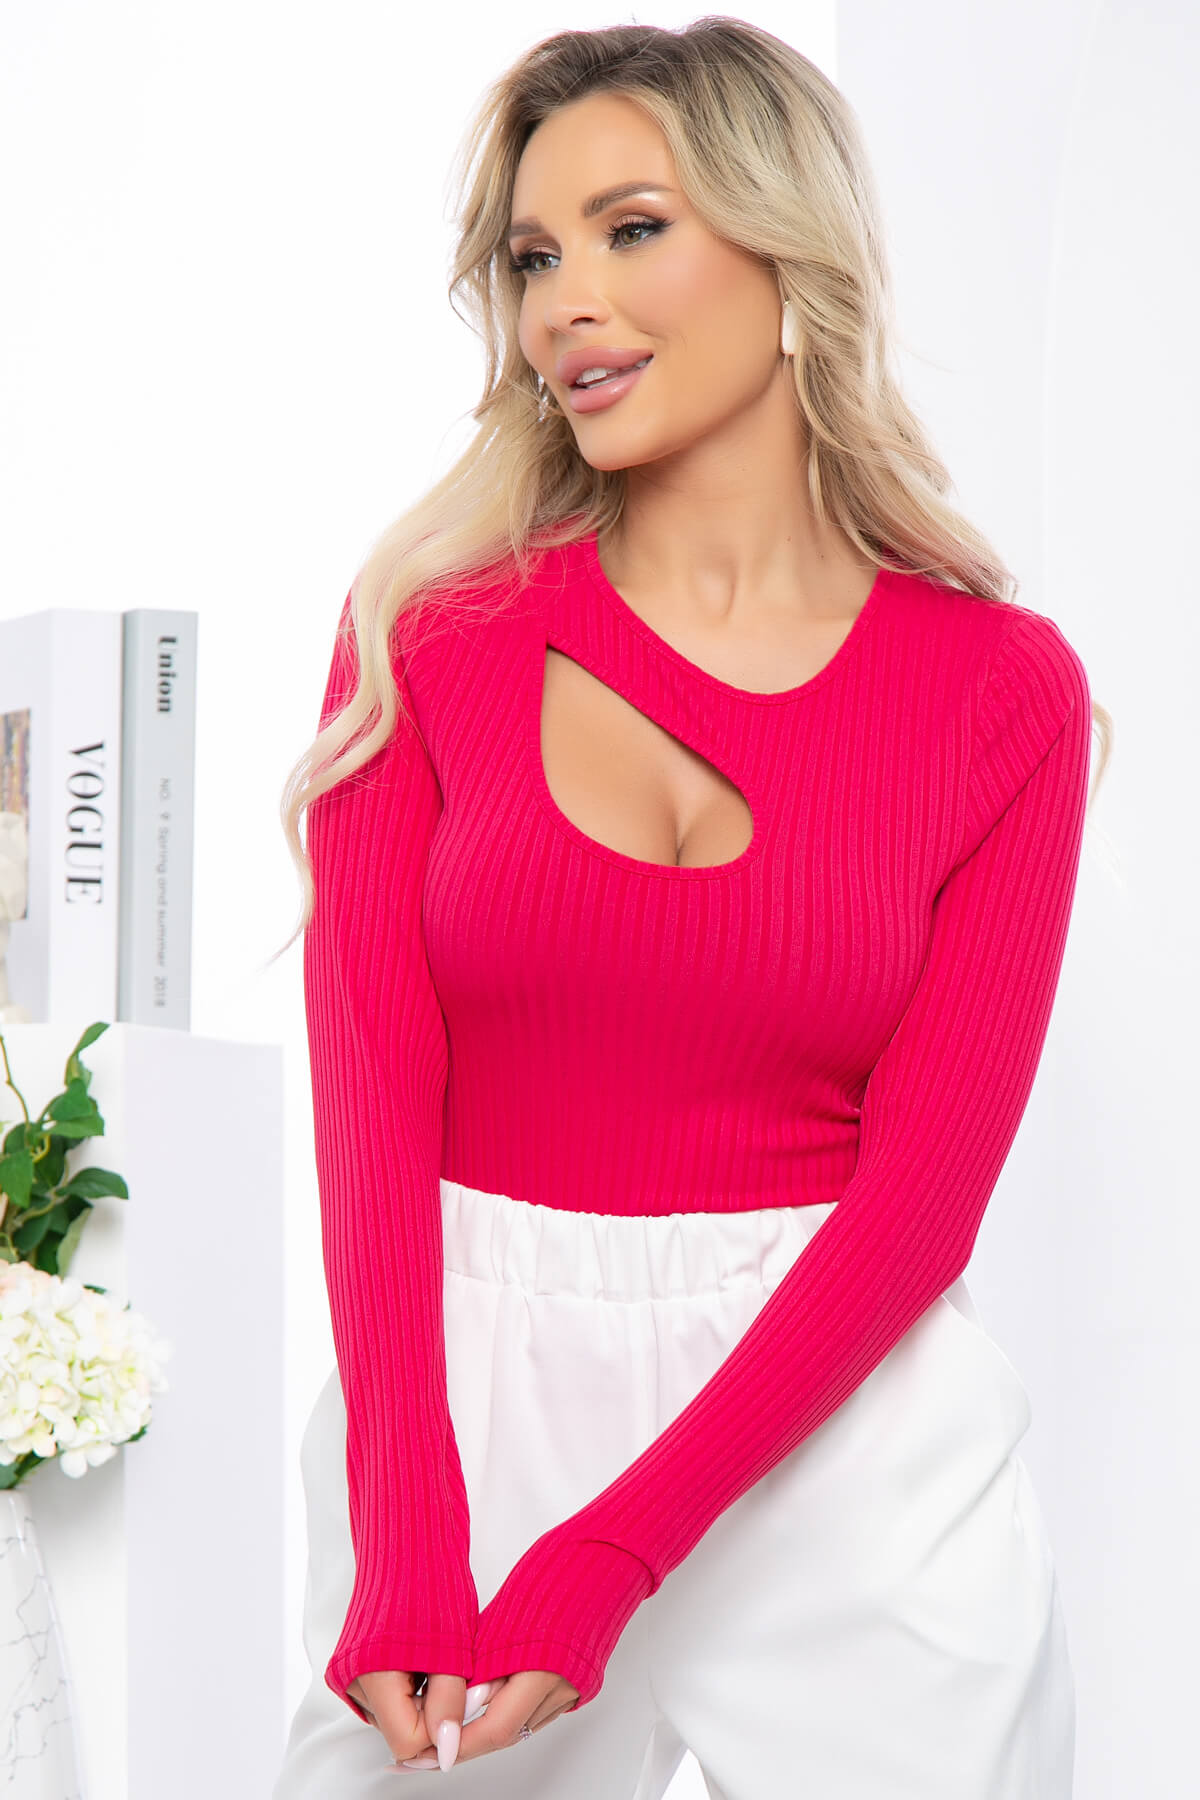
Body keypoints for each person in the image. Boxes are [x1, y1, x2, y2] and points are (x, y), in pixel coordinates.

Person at [270, 17, 1112, 1798]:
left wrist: (617, 1549)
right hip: (477, 1395)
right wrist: (409, 1523)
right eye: (530, 256)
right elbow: (372, 1103)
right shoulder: (428, 635)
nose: (563, 303)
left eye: (631, 229)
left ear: (785, 252)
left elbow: (922, 1200)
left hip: (839, 1419)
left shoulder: (1000, 691)